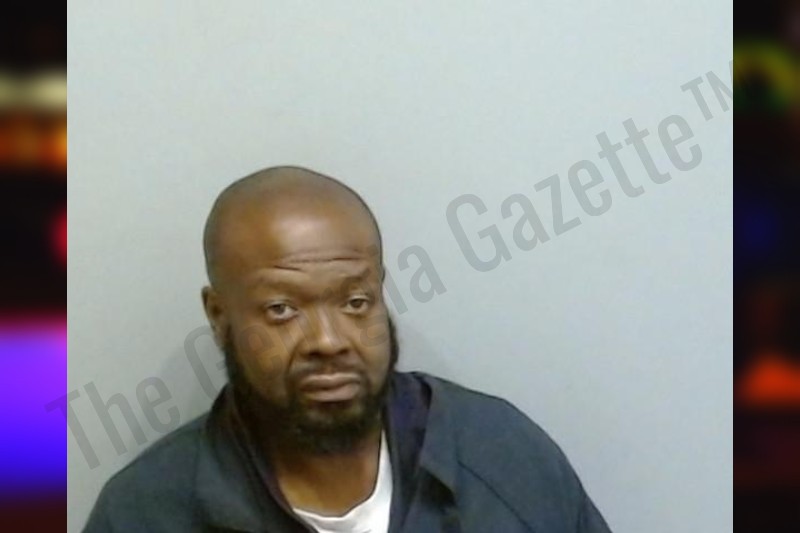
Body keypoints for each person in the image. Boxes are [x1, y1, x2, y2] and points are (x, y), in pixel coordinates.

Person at [84, 166, 612, 532]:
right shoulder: (145, 512)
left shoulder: (502, 457)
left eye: (356, 302)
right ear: (220, 317)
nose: (329, 341)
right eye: (282, 310)